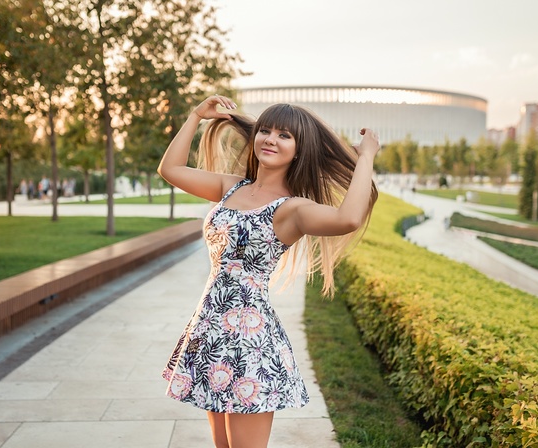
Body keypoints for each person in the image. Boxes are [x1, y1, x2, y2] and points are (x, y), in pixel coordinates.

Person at [158, 95, 380, 448]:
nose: (271, 139)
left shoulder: (292, 209)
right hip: (210, 332)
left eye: (284, 136)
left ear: (298, 149)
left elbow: (347, 218)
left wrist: (365, 157)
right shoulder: (230, 187)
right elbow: (170, 170)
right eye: (266, 130)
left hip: (251, 343)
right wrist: (196, 116)